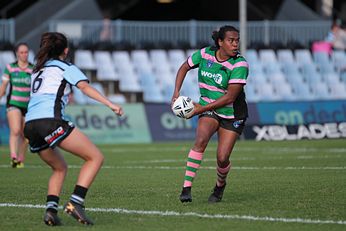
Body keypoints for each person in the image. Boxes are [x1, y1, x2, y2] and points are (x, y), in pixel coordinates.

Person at [24, 32, 123, 226]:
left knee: (59, 168)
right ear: (66, 50)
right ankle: (75, 203)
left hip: (30, 125)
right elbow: (84, 88)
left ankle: (51, 212)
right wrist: (110, 104)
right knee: (95, 157)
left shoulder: (37, 70)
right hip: (50, 121)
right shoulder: (65, 67)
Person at [171, 25, 249, 203]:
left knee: (222, 158)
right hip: (210, 109)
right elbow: (184, 67)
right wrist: (176, 92)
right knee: (200, 140)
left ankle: (220, 186)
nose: (235, 44)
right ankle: (186, 188)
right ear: (220, 42)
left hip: (233, 114)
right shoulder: (205, 54)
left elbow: (230, 97)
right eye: (231, 40)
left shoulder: (240, 64)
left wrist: (199, 109)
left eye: (237, 40)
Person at [0, 42, 34, 168]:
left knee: (26, 135)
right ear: (17, 54)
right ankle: (13, 157)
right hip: (13, 103)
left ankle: (20, 159)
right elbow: (3, 87)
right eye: (21, 52)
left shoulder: (33, 68)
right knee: (15, 130)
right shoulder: (10, 68)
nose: (24, 55)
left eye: (26, 52)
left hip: (28, 106)